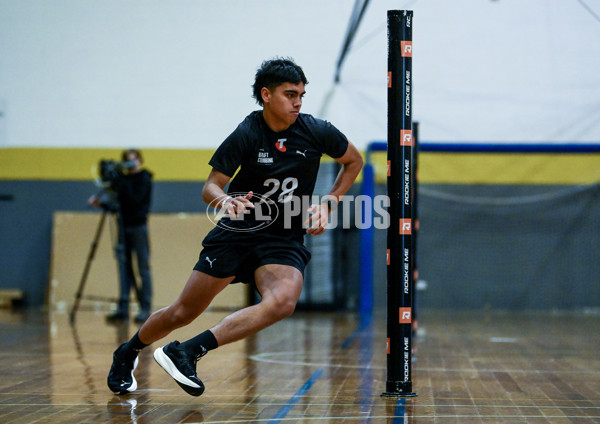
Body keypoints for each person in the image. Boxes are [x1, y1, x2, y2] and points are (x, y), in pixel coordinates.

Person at [106, 58, 363, 396]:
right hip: (238, 232)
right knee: (182, 312)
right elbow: (210, 187)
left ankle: (187, 352)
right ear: (266, 95)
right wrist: (225, 201)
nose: (298, 102)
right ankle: (128, 351)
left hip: (283, 236)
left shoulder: (316, 131)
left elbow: (353, 161)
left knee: (284, 301)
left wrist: (330, 202)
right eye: (290, 95)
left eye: (302, 94)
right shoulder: (247, 133)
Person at [89, 149, 154, 324]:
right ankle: (123, 306)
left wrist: (120, 183)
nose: (131, 163)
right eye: (127, 160)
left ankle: (145, 307)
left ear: (139, 160)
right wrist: (101, 204)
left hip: (139, 227)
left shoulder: (144, 178)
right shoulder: (122, 180)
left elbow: (135, 200)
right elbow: (119, 205)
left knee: (143, 268)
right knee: (124, 267)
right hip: (123, 226)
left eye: (133, 160)